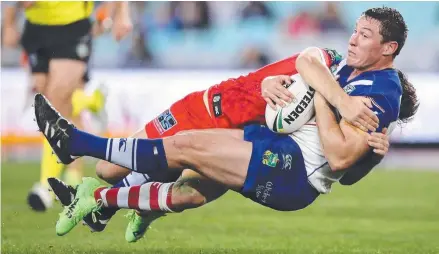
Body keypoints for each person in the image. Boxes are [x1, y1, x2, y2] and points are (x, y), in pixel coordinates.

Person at [38, 6, 419, 238]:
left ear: (389, 49)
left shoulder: (381, 92)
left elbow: (338, 160)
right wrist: (331, 95)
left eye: (364, 35)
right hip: (265, 138)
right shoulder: (339, 65)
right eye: (354, 30)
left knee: (182, 150)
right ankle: (99, 201)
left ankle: (76, 143)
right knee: (187, 190)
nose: (353, 40)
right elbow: (307, 61)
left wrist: (329, 101)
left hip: (292, 170)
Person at [2, 1, 132, 211]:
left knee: (55, 102)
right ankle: (91, 104)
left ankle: (47, 184)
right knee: (56, 101)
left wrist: (120, 14)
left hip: (73, 26)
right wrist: (9, 23)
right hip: (36, 28)